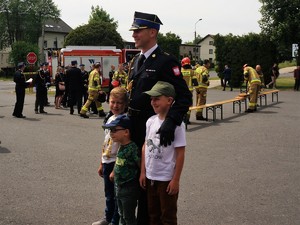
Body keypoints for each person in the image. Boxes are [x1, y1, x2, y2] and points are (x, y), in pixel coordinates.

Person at [127, 11, 192, 225]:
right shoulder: (136, 60)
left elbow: (184, 96)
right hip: (134, 129)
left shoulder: (165, 61)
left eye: (138, 31)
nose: (134, 35)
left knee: (151, 188)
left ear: (152, 33)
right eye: (134, 31)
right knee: (133, 179)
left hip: (151, 133)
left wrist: (171, 122)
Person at [140, 81, 186, 225]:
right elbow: (145, 146)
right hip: (150, 176)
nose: (153, 102)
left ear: (169, 100)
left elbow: (180, 153)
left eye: (157, 98)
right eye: (152, 99)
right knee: (153, 215)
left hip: (166, 179)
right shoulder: (150, 121)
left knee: (168, 217)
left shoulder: (177, 125)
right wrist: (143, 171)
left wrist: (176, 179)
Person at [92, 87, 128, 225]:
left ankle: (115, 220)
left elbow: (123, 146)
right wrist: (101, 163)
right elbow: (106, 143)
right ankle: (107, 217)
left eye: (119, 103)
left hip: (116, 163)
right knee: (108, 194)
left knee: (116, 195)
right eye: (113, 102)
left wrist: (115, 169)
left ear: (125, 104)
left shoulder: (124, 120)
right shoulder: (110, 118)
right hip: (107, 161)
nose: (115, 105)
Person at [102, 115, 140, 225]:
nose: (111, 133)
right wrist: (113, 172)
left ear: (126, 132)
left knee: (128, 217)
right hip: (118, 187)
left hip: (129, 188)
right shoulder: (120, 145)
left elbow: (140, 164)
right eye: (110, 130)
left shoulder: (132, 148)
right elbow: (118, 159)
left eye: (114, 130)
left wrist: (142, 176)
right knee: (121, 214)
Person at [181, 57, 197, 124]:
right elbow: (195, 82)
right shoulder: (191, 71)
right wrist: (197, 90)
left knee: (181, 104)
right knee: (189, 104)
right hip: (189, 91)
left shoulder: (180, 71)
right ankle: (187, 119)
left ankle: (182, 118)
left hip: (181, 91)